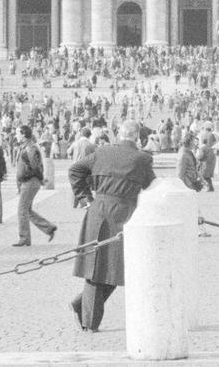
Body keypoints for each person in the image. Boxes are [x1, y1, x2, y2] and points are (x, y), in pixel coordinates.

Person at [69, 120, 157, 332]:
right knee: (113, 268)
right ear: (137, 137)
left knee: (97, 267)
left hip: (98, 212)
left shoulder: (102, 152)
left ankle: (83, 307)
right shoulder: (142, 159)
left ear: (119, 134)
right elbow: (151, 185)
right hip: (125, 214)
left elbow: (75, 170)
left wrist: (85, 198)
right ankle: (89, 322)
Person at [12, 124, 57, 246]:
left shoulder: (30, 148)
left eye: (18, 133)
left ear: (24, 135)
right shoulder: (26, 147)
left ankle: (24, 237)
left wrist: (41, 179)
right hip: (28, 181)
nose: (17, 135)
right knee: (28, 210)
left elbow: (36, 166)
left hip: (30, 181)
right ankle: (49, 228)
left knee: (21, 210)